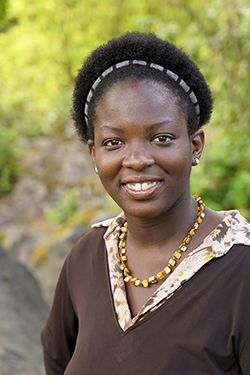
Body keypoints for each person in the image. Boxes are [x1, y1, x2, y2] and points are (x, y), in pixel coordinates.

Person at [41, 32, 250, 374]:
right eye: (114, 142)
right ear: (94, 153)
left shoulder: (241, 269)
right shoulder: (86, 256)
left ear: (195, 145)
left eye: (161, 138)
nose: (137, 159)